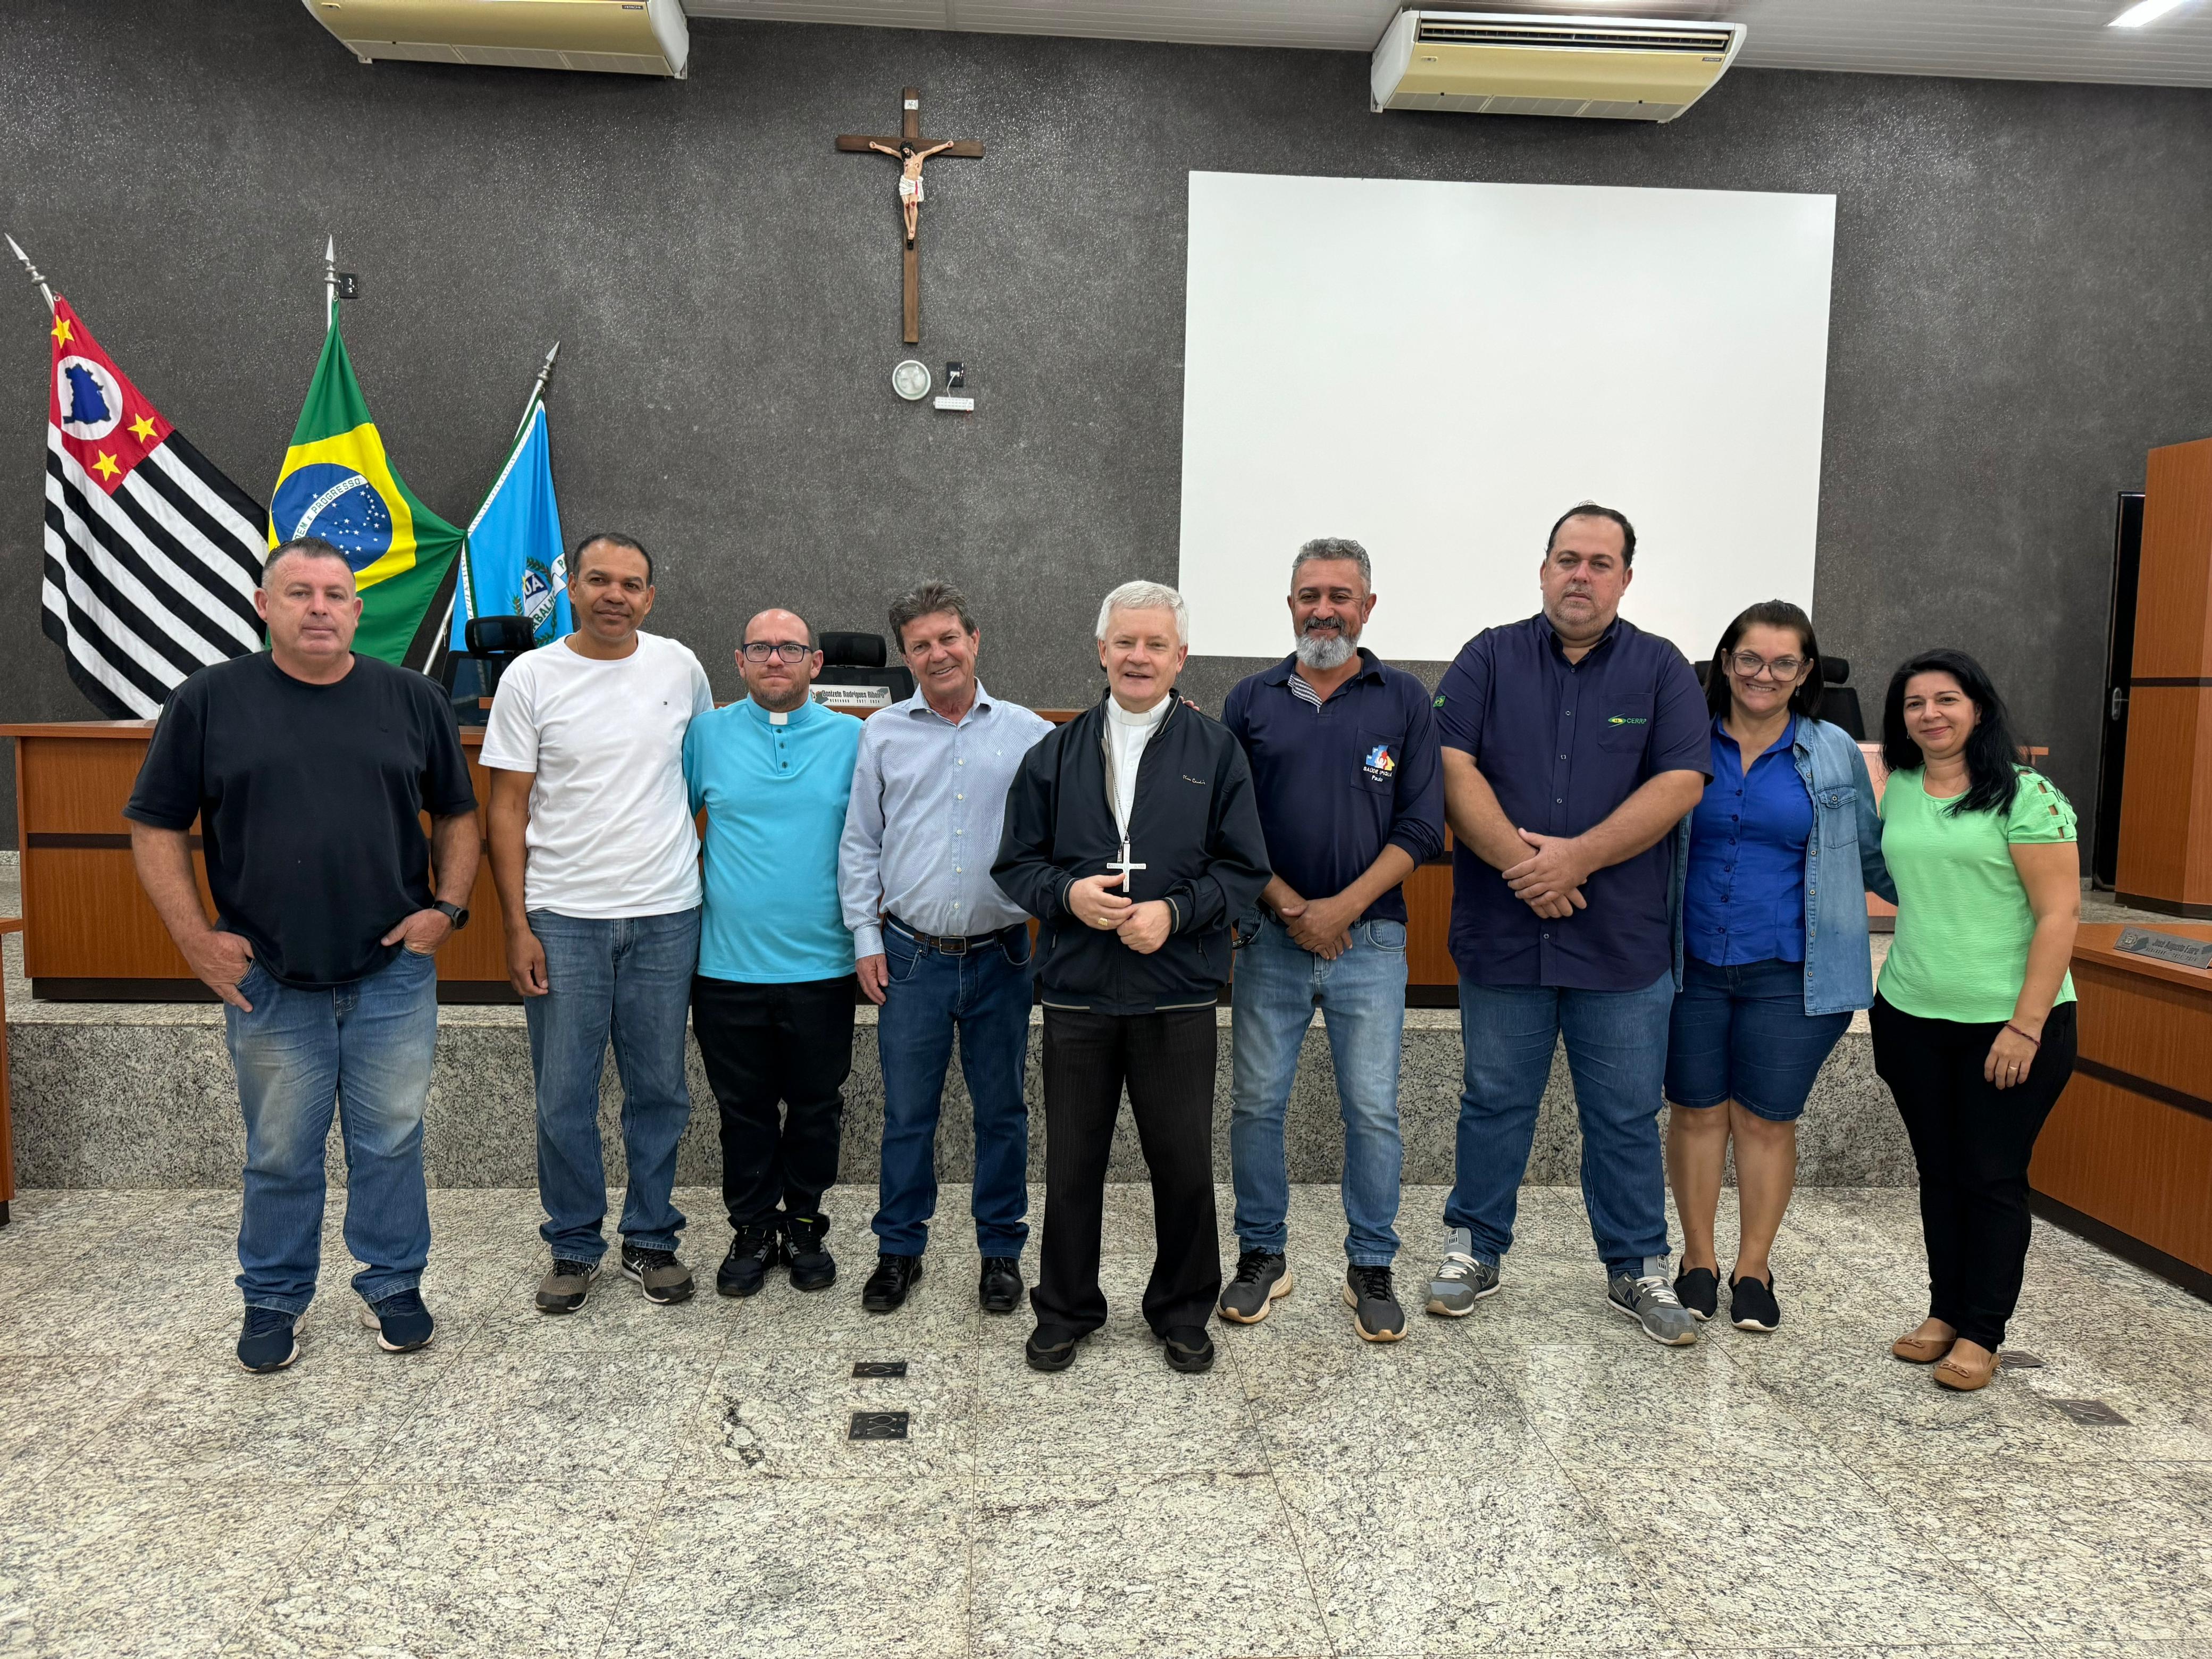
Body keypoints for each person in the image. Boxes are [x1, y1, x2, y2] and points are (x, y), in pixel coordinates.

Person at [125, 537, 479, 1373]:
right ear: (264, 606)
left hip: (392, 972)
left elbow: (459, 813)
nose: (319, 607)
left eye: (335, 594)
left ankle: (393, 1282)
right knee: (280, 1150)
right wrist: (194, 940)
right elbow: (154, 824)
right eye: (299, 593)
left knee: (391, 1139)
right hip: (268, 979)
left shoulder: (413, 699)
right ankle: (274, 1300)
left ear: (359, 611)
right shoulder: (209, 701)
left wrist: (449, 910)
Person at [1427, 503, 1710, 1345]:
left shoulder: (1662, 671)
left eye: (1599, 562)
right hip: (1506, 933)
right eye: (1566, 559)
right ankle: (1473, 1249)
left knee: (1623, 1114)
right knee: (1493, 1103)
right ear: (1543, 569)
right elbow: (1449, 766)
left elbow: (1681, 783)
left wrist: (1575, 859)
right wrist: (1532, 869)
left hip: (1618, 942)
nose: (1580, 575)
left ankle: (1636, 1268)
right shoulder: (1487, 656)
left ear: (1626, 577)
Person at [993, 580, 1270, 1375]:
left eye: (1155, 644)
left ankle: (1182, 1309)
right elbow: (1017, 864)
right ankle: (1068, 1308)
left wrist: (1177, 914)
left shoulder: (1216, 752)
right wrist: (1069, 896)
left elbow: (1244, 870)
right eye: (1125, 642)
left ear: (1180, 657)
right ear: (1102, 651)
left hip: (1175, 993)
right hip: (1078, 993)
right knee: (1072, 1163)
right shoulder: (1056, 751)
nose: (1138, 657)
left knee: (1182, 1161)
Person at [482, 532, 715, 1314]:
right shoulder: (532, 676)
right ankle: (574, 1244)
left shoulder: (680, 666)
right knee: (563, 1094)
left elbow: (703, 776)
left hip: (666, 915)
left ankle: (651, 1237)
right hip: (563, 918)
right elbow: (507, 806)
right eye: (599, 581)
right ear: (572, 588)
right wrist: (517, 925)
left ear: (651, 597)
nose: (616, 595)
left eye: (633, 584)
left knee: (660, 1090)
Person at [1218, 539, 1444, 1343]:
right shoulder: (1249, 700)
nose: (1324, 609)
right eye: (1310, 594)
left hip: (1372, 942)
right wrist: (1290, 908)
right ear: (1289, 605)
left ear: (1368, 608)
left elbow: (1421, 826)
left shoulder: (1406, 700)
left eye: (1341, 596)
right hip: (1270, 941)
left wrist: (1341, 909)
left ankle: (1371, 1265)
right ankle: (1261, 1256)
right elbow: (1228, 826)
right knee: (1256, 1106)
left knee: (1374, 1112)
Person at [1663, 600, 1894, 1333]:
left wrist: (1966, 898)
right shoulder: (1685, 740)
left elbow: (1871, 854)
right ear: (1726, 663)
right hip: (1688, 964)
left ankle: (1753, 1268)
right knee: (1696, 1113)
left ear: (1804, 674)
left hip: (1793, 972)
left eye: (1783, 662)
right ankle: (1697, 1262)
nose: (1763, 674)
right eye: (1749, 658)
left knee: (1766, 1122)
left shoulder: (1829, 751)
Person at [1870, 649, 2079, 1392]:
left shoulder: (2026, 796)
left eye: (1946, 700)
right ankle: (1943, 1313)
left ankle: (1983, 1332)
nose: (1931, 714)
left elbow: (2061, 914)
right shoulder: (1898, 785)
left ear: (1979, 708)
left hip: (2010, 1026)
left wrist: (2025, 1025)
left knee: (1991, 1177)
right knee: (1939, 1173)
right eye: (1915, 703)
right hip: (1912, 1013)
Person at [840, 582, 1051, 1316]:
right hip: (910, 958)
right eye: (921, 644)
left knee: (1003, 1114)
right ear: (907, 655)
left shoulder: (1029, 733)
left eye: (948, 638)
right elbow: (861, 843)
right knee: (907, 1114)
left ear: (975, 639)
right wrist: (866, 937)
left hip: (1002, 957)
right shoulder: (883, 733)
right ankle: (899, 1252)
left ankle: (1001, 1254)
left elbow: (1059, 843)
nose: (938, 654)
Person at [685, 609, 864, 1298]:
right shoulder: (706, 735)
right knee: (744, 1109)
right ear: (739, 660)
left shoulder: (854, 738)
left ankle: (806, 1221)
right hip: (727, 968)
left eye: (790, 648)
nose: (776, 659)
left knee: (818, 1104)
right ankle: (754, 1226)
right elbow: (668, 826)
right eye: (761, 647)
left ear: (815, 663)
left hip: (824, 965)